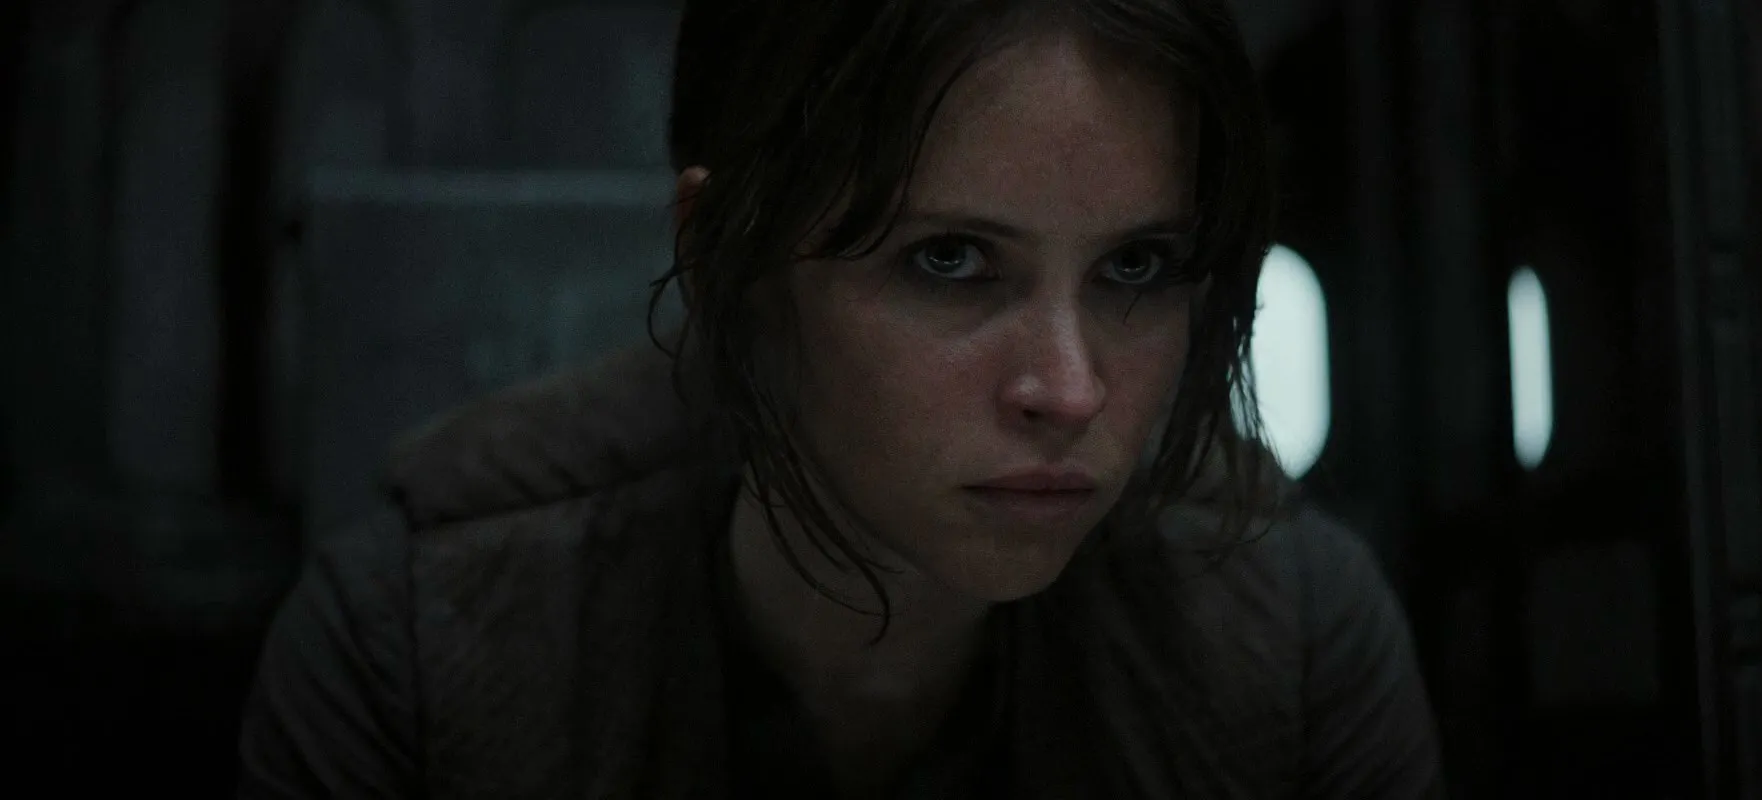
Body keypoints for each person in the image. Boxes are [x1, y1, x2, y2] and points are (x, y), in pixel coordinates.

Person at [237, 0, 1445, 797]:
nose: (1071, 389)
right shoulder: (418, 647)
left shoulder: (1289, 643)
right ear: (725, 260)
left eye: (1137, 266)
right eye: (950, 260)